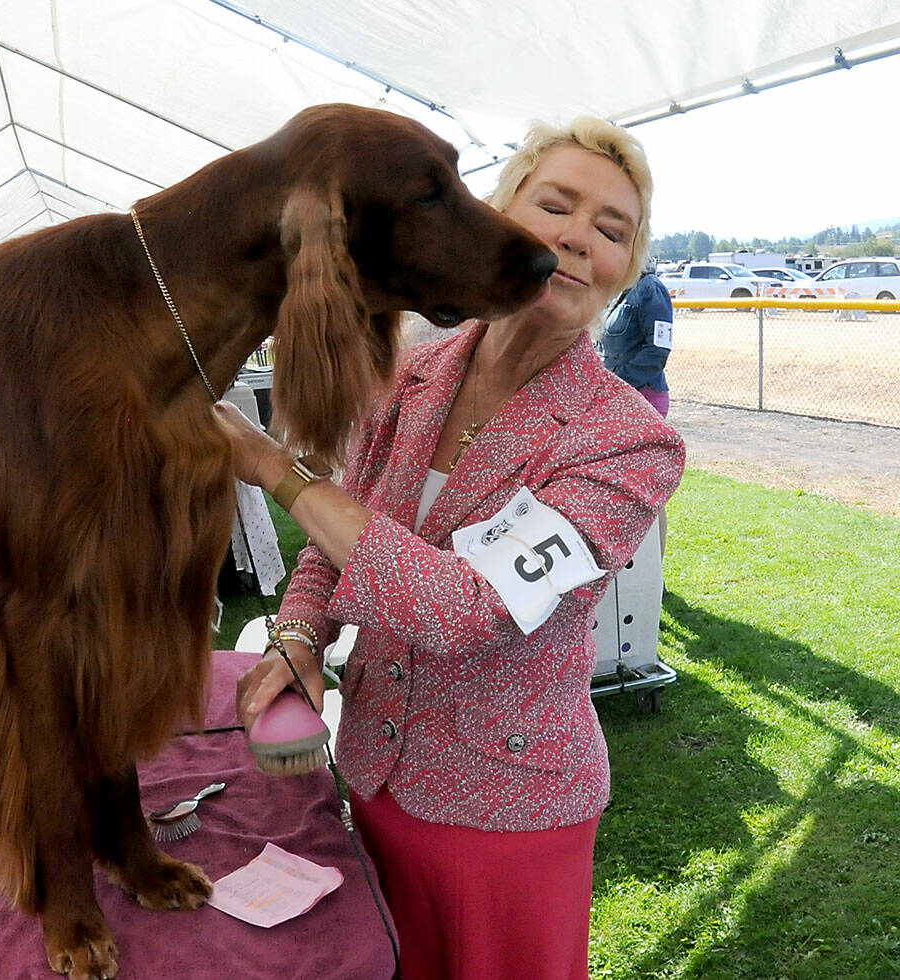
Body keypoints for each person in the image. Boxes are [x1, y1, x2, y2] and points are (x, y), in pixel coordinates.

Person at [216, 117, 685, 980]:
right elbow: (335, 545)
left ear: (627, 269)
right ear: (496, 213)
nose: (579, 237)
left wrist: (276, 470)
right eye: (556, 205)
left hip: (506, 818)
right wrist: (298, 634)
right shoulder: (414, 374)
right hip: (375, 778)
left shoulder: (627, 440)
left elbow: (468, 608)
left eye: (612, 229)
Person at [598, 264, 673, 418]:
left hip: (643, 399)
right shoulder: (622, 290)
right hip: (617, 397)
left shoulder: (651, 288)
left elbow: (658, 351)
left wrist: (617, 383)